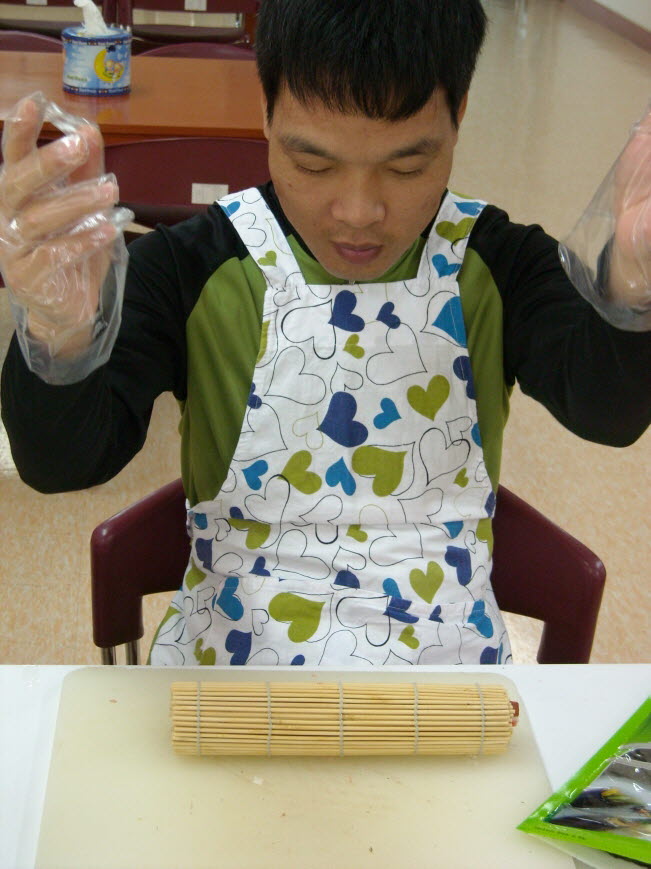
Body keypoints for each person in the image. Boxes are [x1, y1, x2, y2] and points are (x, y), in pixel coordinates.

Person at [1, 0, 650, 667]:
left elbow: (604, 408)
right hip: (228, 676)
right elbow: (63, 460)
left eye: (406, 167)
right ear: (266, 110)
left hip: (448, 682)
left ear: (458, 115)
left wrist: (630, 285)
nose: (358, 213)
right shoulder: (194, 265)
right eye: (313, 164)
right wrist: (58, 332)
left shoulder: (496, 263)